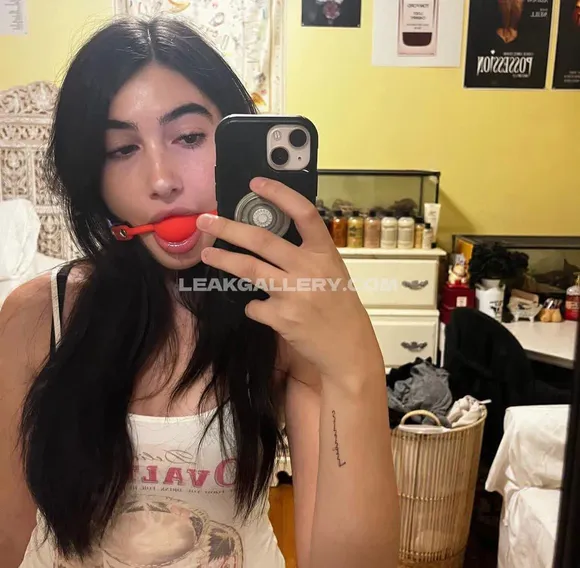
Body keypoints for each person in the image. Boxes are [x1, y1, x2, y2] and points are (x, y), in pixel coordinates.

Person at [0, 15, 399, 568]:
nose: (161, 179)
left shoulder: (282, 320)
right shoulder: (37, 316)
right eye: (122, 149)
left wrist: (356, 366)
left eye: (188, 137)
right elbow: (9, 541)